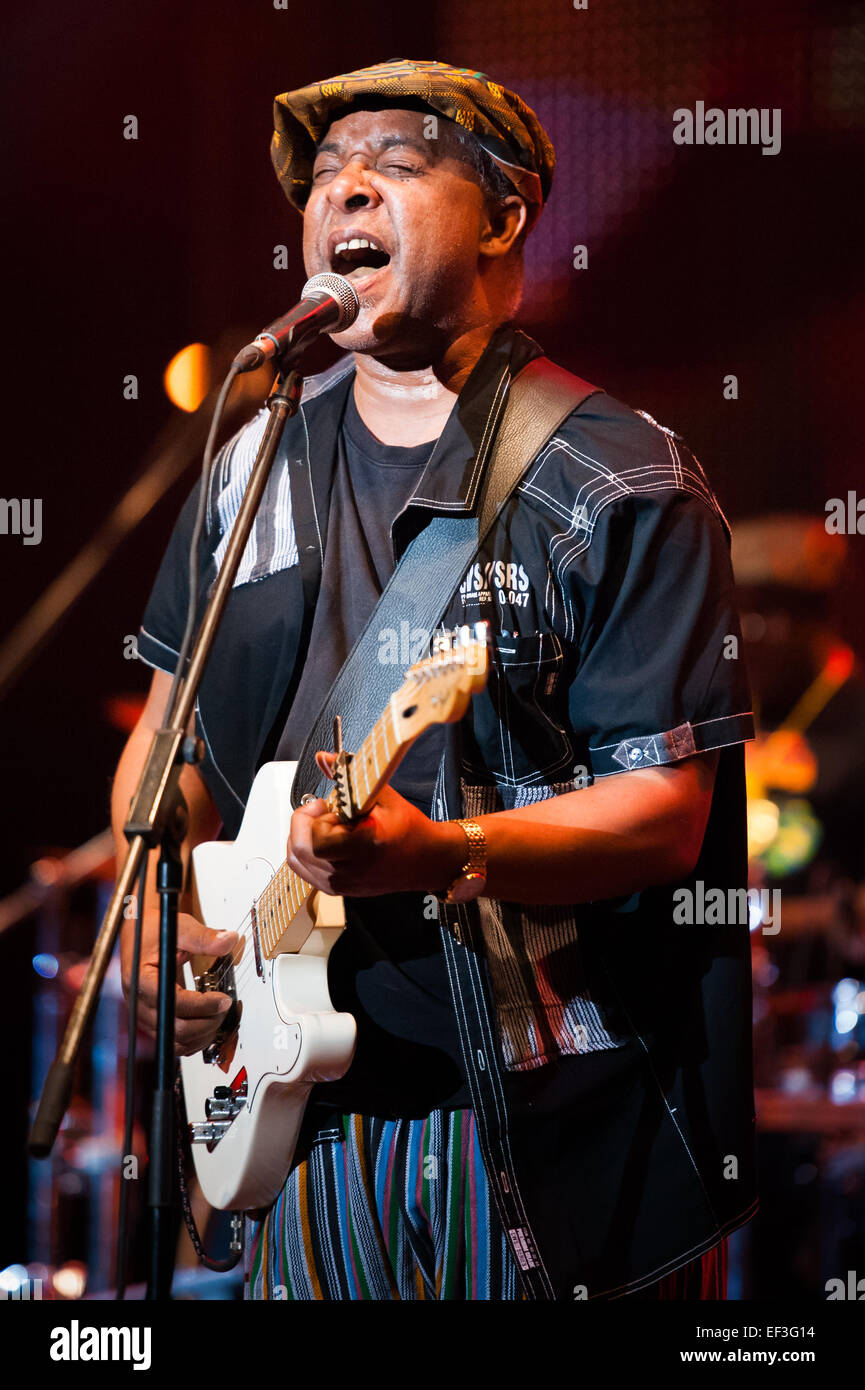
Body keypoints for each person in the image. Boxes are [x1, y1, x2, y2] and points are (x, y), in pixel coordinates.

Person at [113, 58, 757, 1302]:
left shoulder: (618, 480)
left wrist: (442, 850)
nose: (342, 192)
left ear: (503, 216)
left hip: (533, 1127)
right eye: (324, 179)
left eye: (394, 167)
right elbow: (169, 746)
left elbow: (665, 813)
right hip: (299, 1120)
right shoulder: (250, 465)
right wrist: (157, 938)